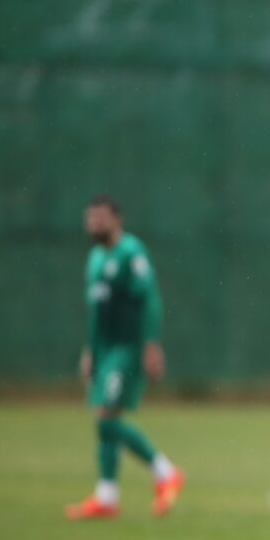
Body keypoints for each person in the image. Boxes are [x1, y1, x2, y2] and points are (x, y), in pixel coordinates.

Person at [65, 196, 184, 520]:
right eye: (90, 219)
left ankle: (165, 471)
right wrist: (90, 351)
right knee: (104, 422)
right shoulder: (94, 258)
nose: (93, 225)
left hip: (127, 348)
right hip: (104, 350)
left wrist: (149, 344)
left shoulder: (132, 254)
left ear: (117, 219)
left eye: (100, 219)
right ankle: (107, 497)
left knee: (106, 417)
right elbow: (95, 313)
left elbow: (150, 300)